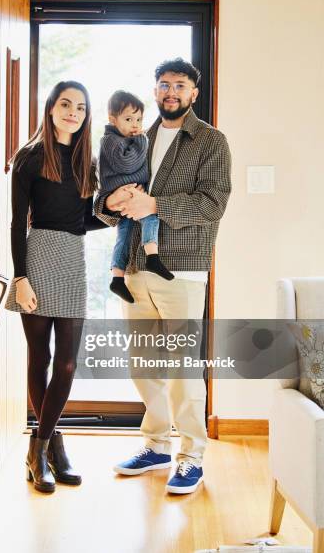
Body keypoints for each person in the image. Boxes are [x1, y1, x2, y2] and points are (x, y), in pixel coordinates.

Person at [94, 58, 232, 495]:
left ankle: (191, 456)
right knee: (144, 365)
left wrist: (156, 206)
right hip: (134, 267)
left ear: (194, 92)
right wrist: (110, 201)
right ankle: (155, 446)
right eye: (163, 84)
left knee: (183, 368)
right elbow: (107, 195)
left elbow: (213, 202)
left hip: (183, 269)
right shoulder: (135, 135)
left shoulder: (211, 140)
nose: (170, 91)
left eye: (180, 85)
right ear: (154, 92)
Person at [5, 81, 107, 494]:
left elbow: (83, 220)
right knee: (40, 358)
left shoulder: (87, 160)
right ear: (50, 109)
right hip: (37, 258)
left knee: (67, 363)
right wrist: (20, 277)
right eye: (66, 104)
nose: (73, 112)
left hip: (73, 259)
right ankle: (50, 450)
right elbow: (16, 222)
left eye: (80, 107)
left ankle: (42, 446)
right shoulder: (29, 158)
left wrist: (117, 213)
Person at [98, 90, 174, 304]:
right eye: (129, 119)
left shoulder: (121, 139)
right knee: (151, 215)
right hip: (126, 192)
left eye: (139, 119)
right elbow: (127, 163)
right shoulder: (110, 140)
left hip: (128, 194)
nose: (135, 124)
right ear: (113, 120)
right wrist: (141, 140)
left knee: (125, 236)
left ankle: (117, 278)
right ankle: (152, 257)